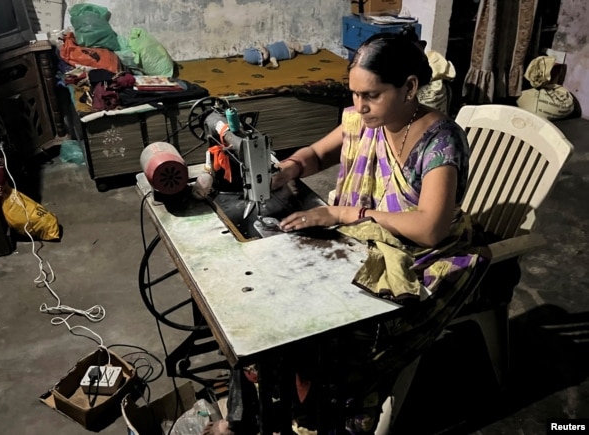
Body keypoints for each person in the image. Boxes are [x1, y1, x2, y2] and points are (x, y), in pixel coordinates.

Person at [205, 29, 490, 435]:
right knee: (272, 294)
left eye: (370, 95)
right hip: (368, 235)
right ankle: (267, 404)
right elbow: (319, 153)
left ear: (409, 87)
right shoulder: (364, 122)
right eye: (354, 94)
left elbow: (429, 227)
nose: (358, 106)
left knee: (327, 324)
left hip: (423, 256)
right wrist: (290, 168)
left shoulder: (440, 141)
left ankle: (324, 411)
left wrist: (346, 214)